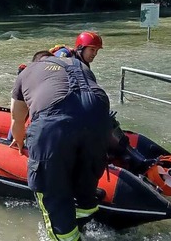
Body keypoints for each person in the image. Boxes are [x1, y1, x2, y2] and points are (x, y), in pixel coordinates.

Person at [9, 54, 112, 240]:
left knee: (52, 191)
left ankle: (66, 236)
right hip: (99, 115)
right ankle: (88, 227)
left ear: (36, 61)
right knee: (86, 182)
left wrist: (19, 141)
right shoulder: (78, 64)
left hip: (54, 122)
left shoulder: (26, 73)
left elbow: (17, 119)